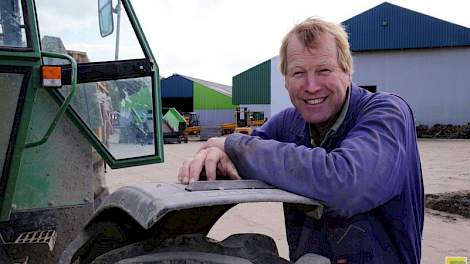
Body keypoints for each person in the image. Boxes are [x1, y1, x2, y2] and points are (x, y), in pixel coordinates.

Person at [178, 17, 423, 264]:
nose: (311, 86)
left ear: (347, 71)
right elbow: (245, 150)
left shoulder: (387, 113)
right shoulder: (288, 123)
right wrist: (213, 154)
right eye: (298, 73)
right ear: (286, 80)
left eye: (324, 70)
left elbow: (345, 184)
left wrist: (232, 144)